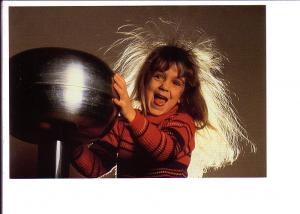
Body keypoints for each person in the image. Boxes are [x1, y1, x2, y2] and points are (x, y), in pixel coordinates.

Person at [72, 20, 255, 178]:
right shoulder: (122, 125)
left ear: (183, 95)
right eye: (158, 76)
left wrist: (130, 114)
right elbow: (94, 168)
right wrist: (70, 141)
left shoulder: (182, 122)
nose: (164, 86)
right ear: (144, 81)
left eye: (176, 82)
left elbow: (164, 151)